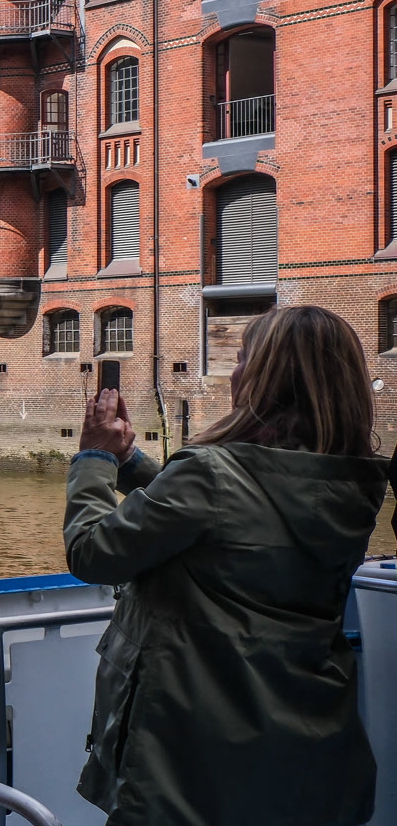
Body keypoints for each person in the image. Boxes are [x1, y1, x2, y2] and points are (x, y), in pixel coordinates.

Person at [66, 304, 394, 826]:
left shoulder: (211, 473)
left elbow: (91, 552)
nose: (234, 372)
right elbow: (234, 515)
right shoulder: (350, 485)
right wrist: (131, 463)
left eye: (243, 359)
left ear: (269, 378)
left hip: (193, 762)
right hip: (307, 750)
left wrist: (95, 460)